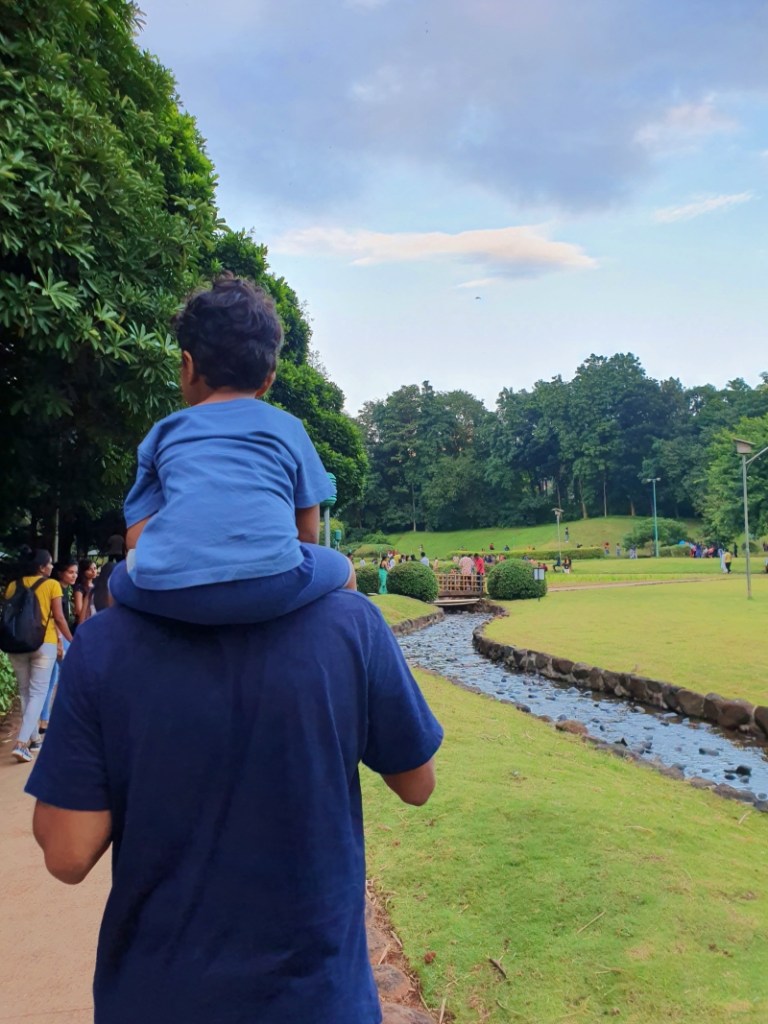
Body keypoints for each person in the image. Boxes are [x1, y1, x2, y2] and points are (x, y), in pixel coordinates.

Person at [25, 586, 442, 1023]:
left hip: (157, 998)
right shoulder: (351, 623)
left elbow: (67, 852)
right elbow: (418, 784)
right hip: (318, 1000)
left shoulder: (105, 641)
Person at [109, 273, 353, 625]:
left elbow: (136, 537)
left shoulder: (163, 432)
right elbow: (309, 534)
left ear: (188, 366)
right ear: (267, 380)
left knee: (118, 581)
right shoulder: (289, 428)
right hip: (272, 589)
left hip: (177, 595)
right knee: (343, 569)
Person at [4, 549, 73, 763]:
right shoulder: (52, 585)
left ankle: (33, 740)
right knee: (38, 693)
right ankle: (22, 743)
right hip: (44, 643)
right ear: (42, 567)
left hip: (16, 643)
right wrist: (72, 640)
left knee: (26, 692)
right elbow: (59, 618)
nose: (52, 567)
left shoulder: (13, 586)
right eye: (50, 564)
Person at [38, 556, 78, 734]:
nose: (74, 576)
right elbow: (56, 619)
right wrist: (63, 642)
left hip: (58, 640)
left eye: (75, 573)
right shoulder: (54, 588)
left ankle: (47, 719)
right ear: (60, 573)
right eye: (70, 572)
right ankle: (46, 719)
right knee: (55, 679)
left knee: (57, 679)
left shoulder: (64, 589)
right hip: (56, 640)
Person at [73, 558, 97, 626]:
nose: (93, 571)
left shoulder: (96, 585)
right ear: (83, 571)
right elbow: (79, 610)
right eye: (89, 569)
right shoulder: (79, 588)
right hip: (84, 623)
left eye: (95, 568)